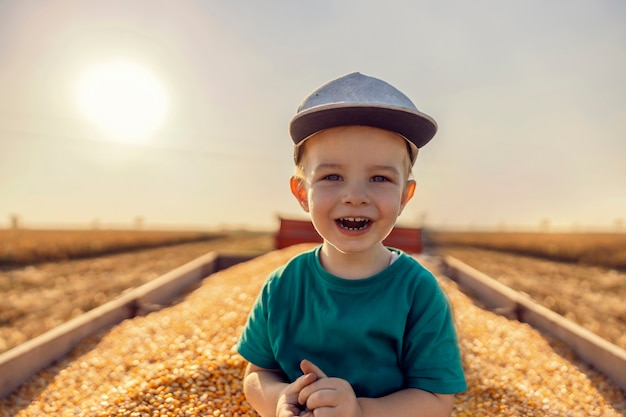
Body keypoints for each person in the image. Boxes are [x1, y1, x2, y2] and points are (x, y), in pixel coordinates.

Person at [236, 72, 466, 417]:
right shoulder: (282, 287)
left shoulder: (419, 293)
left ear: (405, 195)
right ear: (302, 193)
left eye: (380, 178)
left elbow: (435, 400)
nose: (355, 196)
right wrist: (279, 401)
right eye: (332, 176)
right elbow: (257, 374)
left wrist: (359, 411)